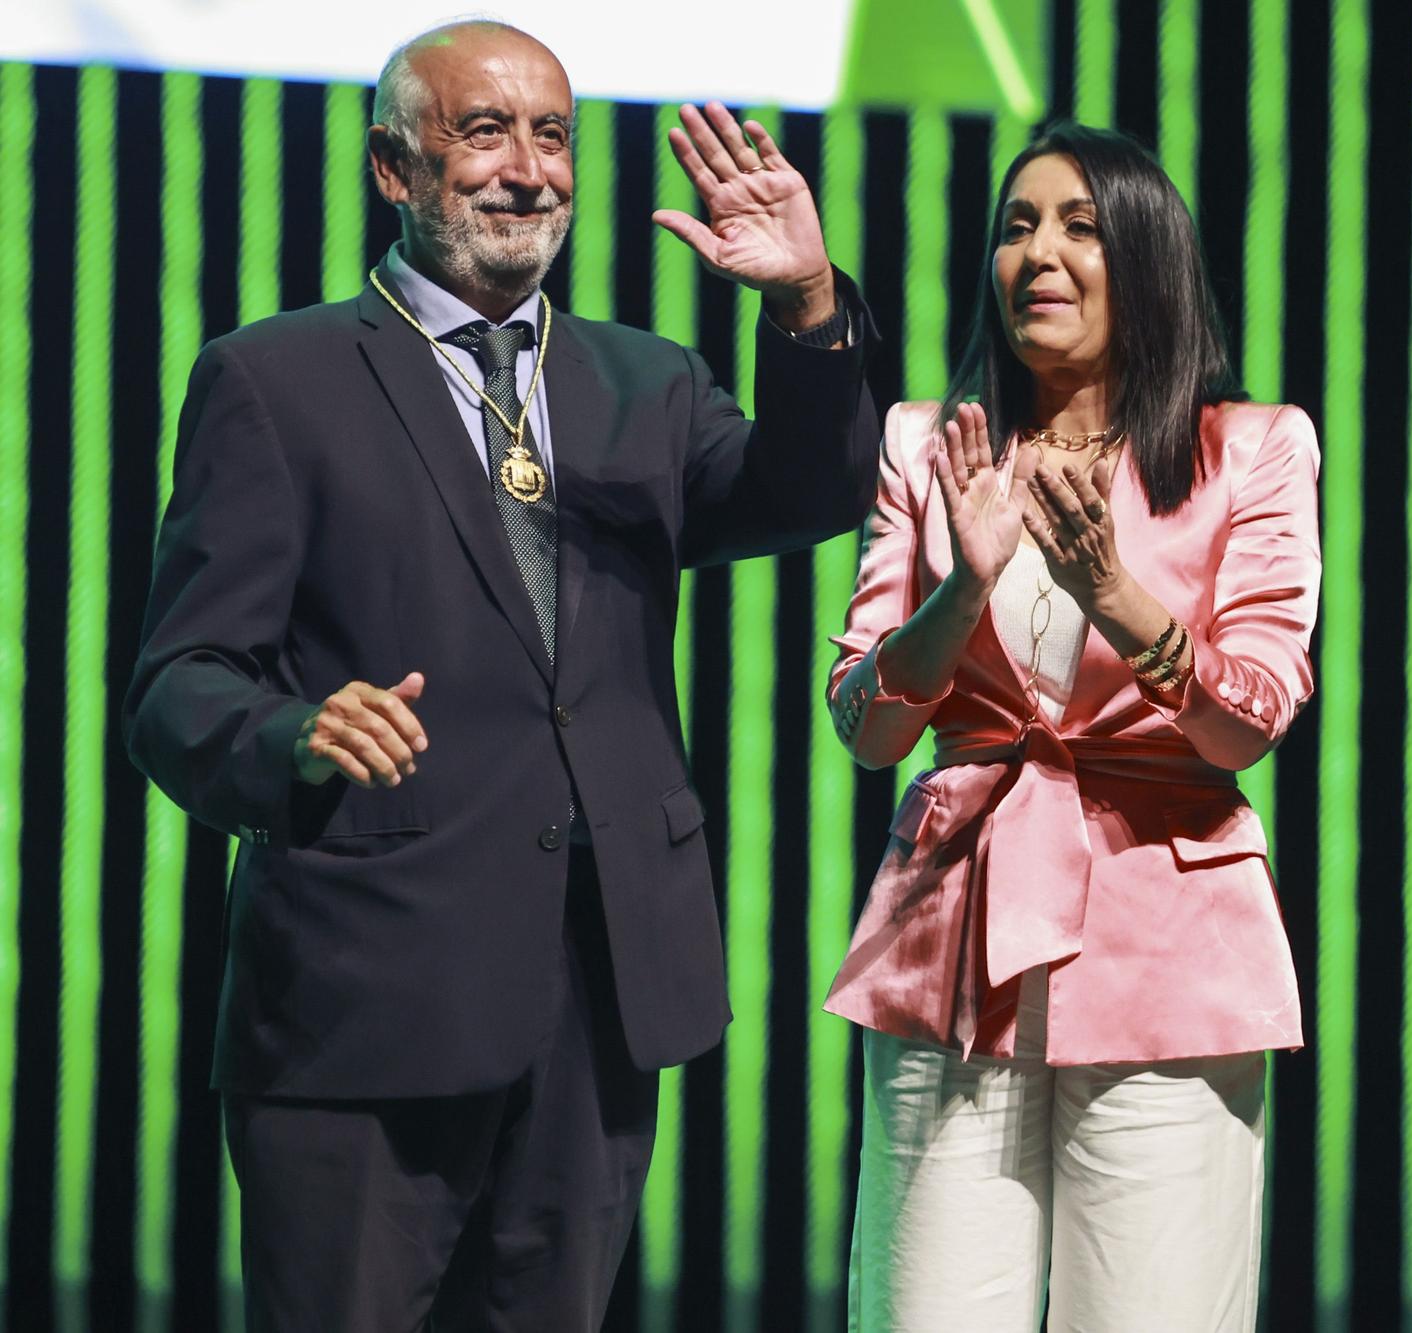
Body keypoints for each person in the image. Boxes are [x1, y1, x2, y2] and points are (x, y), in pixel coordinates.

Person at [123, 21, 879, 1330]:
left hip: (600, 995)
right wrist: (297, 732)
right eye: (484, 132)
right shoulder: (274, 381)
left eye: (552, 136)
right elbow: (179, 683)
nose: (527, 170)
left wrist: (806, 309)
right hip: (369, 999)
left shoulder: (645, 383)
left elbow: (809, 491)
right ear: (393, 167)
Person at [821, 121, 1319, 1330]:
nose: (1037, 252)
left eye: (1078, 226)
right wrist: (962, 587)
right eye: (1015, 225)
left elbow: (1246, 720)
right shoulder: (923, 442)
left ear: (1145, 260)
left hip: (1169, 945)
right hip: (951, 939)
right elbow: (865, 724)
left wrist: (1115, 593)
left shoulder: (1248, 447)